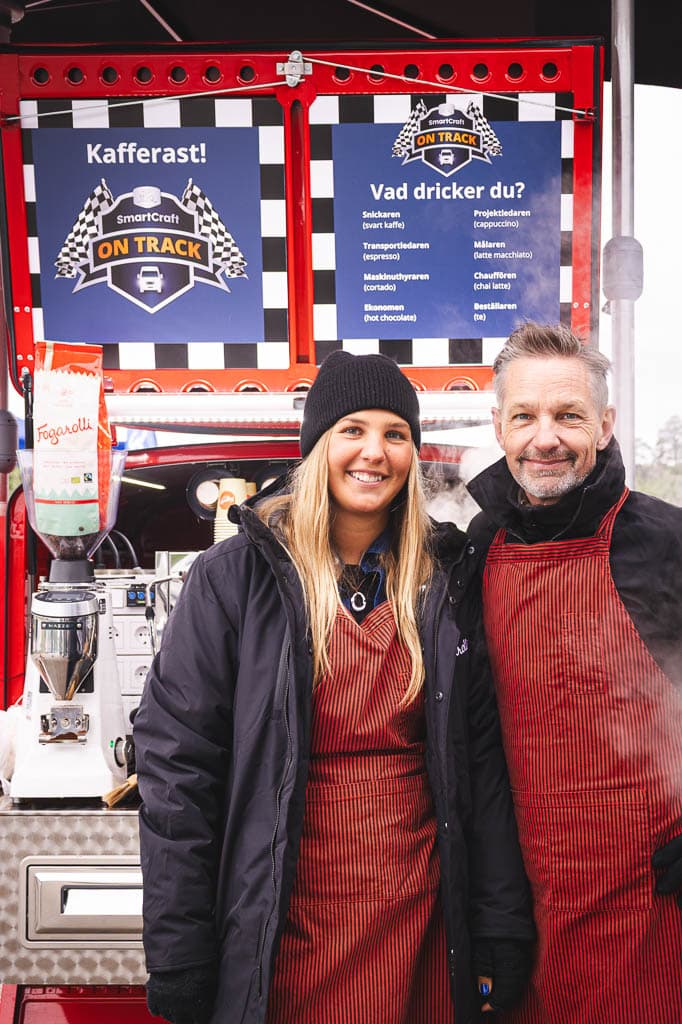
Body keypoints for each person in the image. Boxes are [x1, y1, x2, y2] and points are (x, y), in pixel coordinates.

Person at [133, 350, 535, 1024]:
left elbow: (484, 768)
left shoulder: (447, 579)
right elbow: (178, 773)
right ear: (318, 445)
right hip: (286, 918)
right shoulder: (235, 579)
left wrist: (499, 923)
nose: (374, 452)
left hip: (423, 915)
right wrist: (178, 950)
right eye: (352, 429)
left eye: (395, 433)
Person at [466, 322, 682, 1024]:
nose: (545, 438)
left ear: (605, 424)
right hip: (527, 893)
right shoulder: (474, 552)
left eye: (568, 416)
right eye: (525, 417)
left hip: (651, 901)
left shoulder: (667, 541)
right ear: (499, 426)